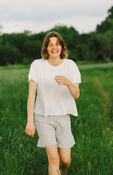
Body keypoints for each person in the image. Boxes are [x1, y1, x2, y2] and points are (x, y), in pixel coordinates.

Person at [25, 31, 81, 175]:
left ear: (62, 47)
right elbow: (31, 95)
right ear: (46, 48)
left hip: (63, 116)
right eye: (50, 45)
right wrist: (30, 121)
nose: (54, 47)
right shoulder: (37, 65)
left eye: (57, 44)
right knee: (54, 159)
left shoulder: (70, 65)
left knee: (65, 160)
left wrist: (68, 82)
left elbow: (76, 94)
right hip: (43, 116)